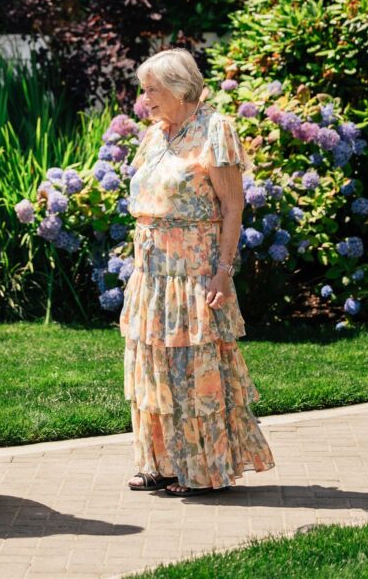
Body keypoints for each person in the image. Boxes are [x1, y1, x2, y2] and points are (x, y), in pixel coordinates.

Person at [122, 49, 274, 496]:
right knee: (154, 369)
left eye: (151, 89)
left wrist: (223, 272)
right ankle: (163, 463)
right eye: (144, 89)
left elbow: (233, 205)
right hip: (151, 272)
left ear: (180, 88)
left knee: (193, 371)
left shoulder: (215, 130)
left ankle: (203, 471)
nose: (144, 98)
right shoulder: (154, 135)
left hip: (192, 271)